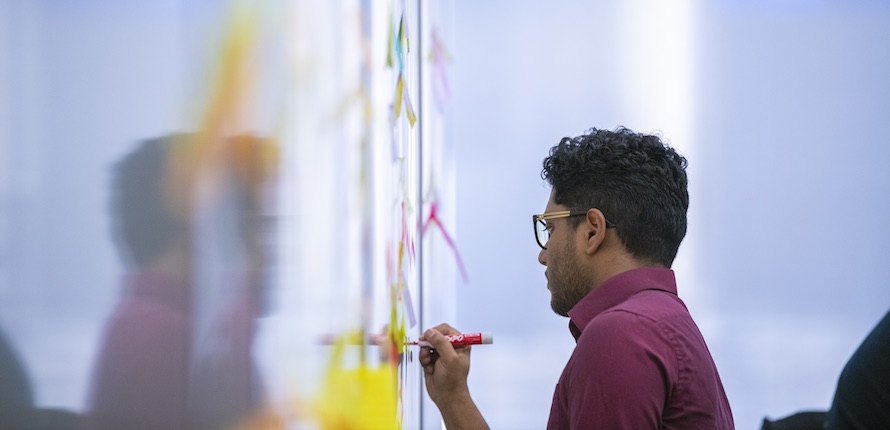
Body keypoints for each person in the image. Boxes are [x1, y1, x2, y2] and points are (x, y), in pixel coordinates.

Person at [419, 126, 735, 429]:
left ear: (592, 231)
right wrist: (454, 398)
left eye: (550, 229)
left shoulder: (621, 335)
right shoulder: (666, 322)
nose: (543, 255)